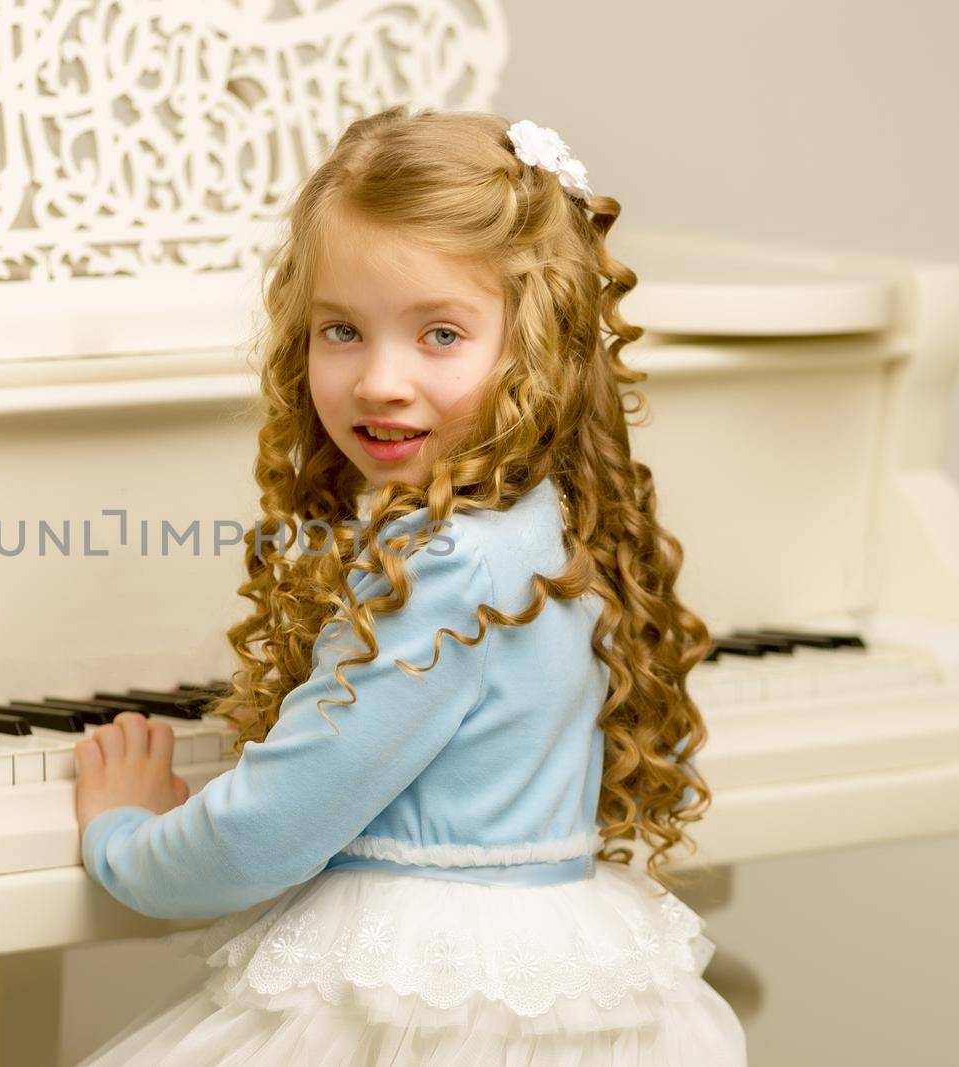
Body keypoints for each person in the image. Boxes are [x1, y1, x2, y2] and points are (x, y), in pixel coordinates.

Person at [70, 107, 748, 1065]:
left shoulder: (444, 564)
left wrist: (124, 836)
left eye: (439, 334)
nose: (380, 382)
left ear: (537, 346)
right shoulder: (544, 517)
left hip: (422, 1003)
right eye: (341, 330)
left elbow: (266, 831)